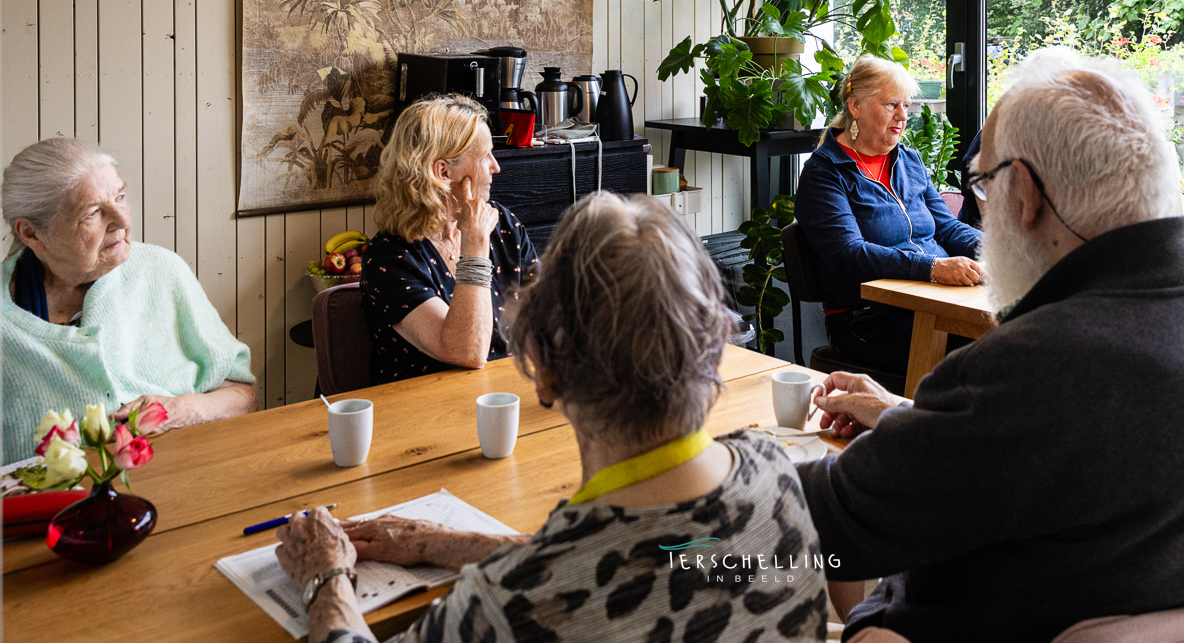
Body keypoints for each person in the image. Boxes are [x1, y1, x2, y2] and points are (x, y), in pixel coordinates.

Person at [797, 47, 1184, 643]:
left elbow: (831, 524)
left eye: (985, 185)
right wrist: (907, 417)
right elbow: (1047, 452)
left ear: (1028, 197)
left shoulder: (1029, 369)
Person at [276, 192, 830, 643]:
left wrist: (326, 577)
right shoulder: (776, 475)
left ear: (542, 369)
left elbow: (595, 564)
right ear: (710, 345)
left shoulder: (506, 606)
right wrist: (440, 541)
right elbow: (653, 554)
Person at [2, 138, 256, 464]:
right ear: (31, 233)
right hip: (51, 508)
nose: (122, 220)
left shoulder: (161, 271)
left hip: (187, 479)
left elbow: (244, 397)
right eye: (93, 212)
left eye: (120, 196)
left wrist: (183, 410)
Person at [796, 55, 984, 374]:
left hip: (931, 301)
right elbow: (848, 254)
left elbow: (948, 229)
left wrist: (1003, 253)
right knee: (988, 351)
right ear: (856, 107)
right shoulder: (824, 173)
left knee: (1018, 329)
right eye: (891, 105)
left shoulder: (908, 161)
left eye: (906, 106)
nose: (902, 116)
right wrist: (934, 268)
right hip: (869, 320)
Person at [362, 95, 539, 383]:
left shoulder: (503, 225)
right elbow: (466, 351)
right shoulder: (388, 258)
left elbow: (549, 314)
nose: (496, 167)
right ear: (443, 172)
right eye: (485, 157)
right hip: (427, 413)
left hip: (504, 394)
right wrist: (475, 247)